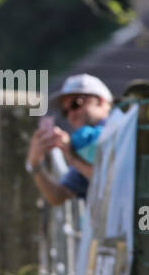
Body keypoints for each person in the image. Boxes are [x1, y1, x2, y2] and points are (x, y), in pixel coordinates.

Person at [26, 73, 113, 206]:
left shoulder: (116, 131)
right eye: (65, 112)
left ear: (101, 101)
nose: (71, 115)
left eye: (75, 104)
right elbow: (57, 195)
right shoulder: (82, 148)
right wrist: (35, 163)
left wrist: (72, 156)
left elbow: (111, 185)